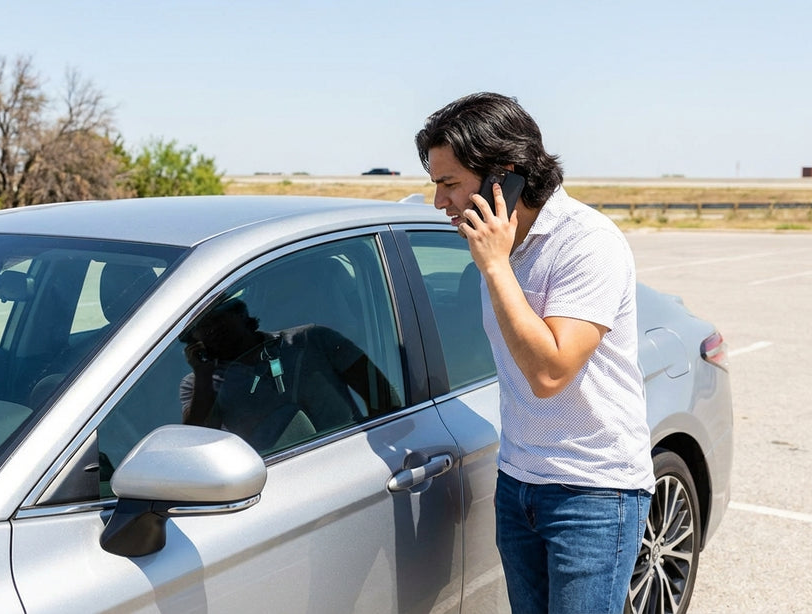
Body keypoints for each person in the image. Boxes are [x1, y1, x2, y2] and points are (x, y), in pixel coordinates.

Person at [415, 92, 654, 614]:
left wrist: (496, 268)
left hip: (592, 494)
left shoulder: (588, 243)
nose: (440, 203)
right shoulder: (498, 246)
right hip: (518, 482)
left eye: (449, 184)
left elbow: (550, 373)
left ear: (505, 176)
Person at [179, 297, 396, 451]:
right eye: (204, 328)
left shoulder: (313, 340)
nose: (214, 331)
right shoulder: (198, 385)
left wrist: (380, 446)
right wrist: (203, 376)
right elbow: (198, 444)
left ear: (240, 313)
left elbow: (381, 394)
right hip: (276, 480)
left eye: (219, 319)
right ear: (194, 343)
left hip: (350, 457)